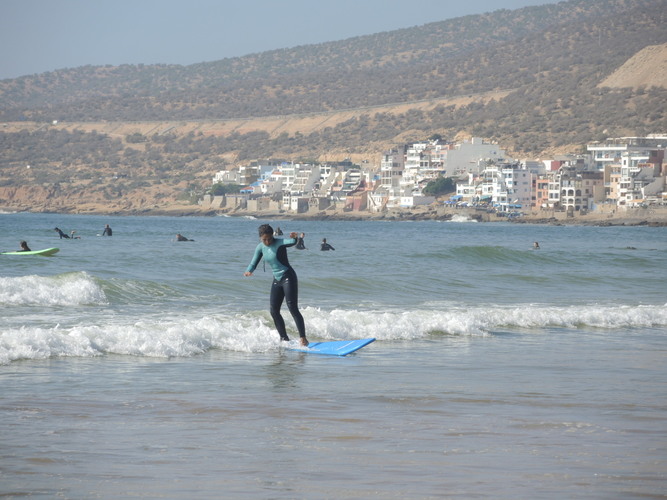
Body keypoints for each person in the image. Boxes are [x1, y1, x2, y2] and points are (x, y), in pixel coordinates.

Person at [244, 224, 308, 346]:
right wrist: (249, 270)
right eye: (264, 239)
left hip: (288, 277)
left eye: (269, 239)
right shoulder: (260, 247)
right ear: (260, 238)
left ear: (273, 236)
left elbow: (291, 242)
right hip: (277, 280)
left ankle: (303, 338)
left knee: (292, 307)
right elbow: (254, 262)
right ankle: (284, 339)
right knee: (274, 311)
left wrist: (295, 238)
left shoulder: (279, 242)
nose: (267, 241)